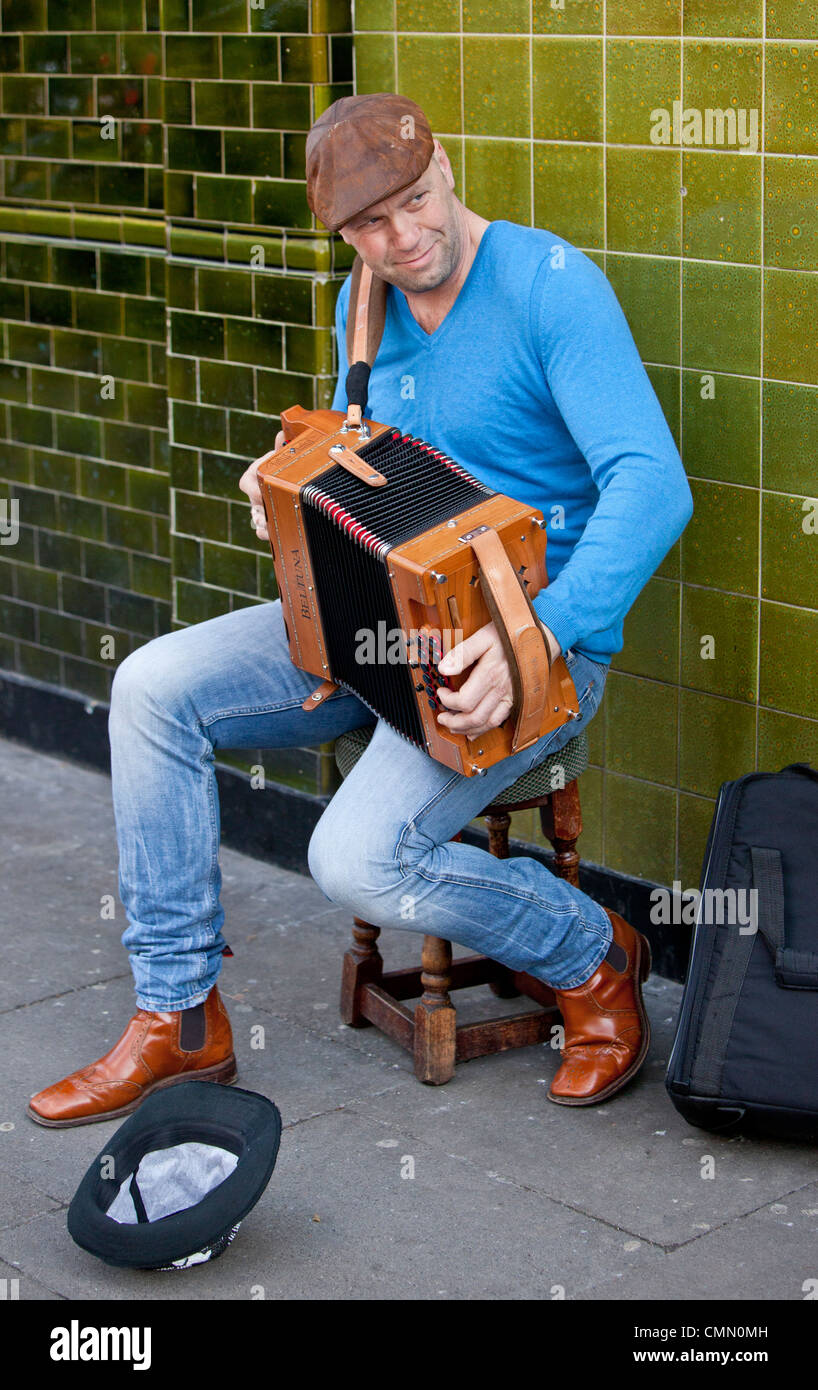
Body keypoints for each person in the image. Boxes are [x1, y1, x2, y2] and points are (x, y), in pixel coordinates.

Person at [28, 93, 693, 1128]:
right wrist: (282, 477)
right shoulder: (367, 295)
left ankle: (594, 954)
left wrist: (537, 634)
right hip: (365, 631)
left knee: (349, 860)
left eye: (416, 205)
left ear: (446, 168)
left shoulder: (550, 287)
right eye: (369, 228)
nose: (404, 239)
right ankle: (180, 1016)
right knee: (148, 686)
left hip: (531, 651)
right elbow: (357, 454)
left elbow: (653, 483)